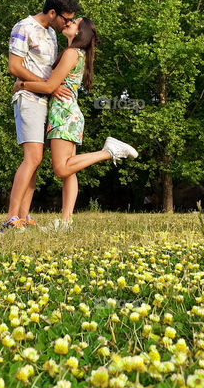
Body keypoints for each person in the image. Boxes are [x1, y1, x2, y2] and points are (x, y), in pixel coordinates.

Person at [14, 17, 138, 231]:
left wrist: (22, 83)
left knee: (61, 169)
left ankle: (108, 151)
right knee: (70, 169)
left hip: (62, 113)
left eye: (74, 22)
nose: (69, 22)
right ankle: (66, 222)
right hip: (71, 113)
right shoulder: (78, 54)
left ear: (81, 32)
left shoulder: (72, 53)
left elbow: (51, 85)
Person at [2, 0, 79, 232]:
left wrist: (53, 88)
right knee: (32, 158)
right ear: (52, 13)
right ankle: (11, 217)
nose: (68, 24)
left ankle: (23, 216)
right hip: (29, 97)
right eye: (66, 19)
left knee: (36, 161)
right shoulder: (24, 26)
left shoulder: (51, 34)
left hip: (46, 99)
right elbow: (13, 66)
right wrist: (47, 87)